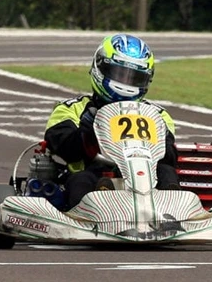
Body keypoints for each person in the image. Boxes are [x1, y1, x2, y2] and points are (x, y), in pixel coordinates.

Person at [44, 33, 179, 211]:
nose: (125, 82)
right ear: (100, 67)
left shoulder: (158, 115)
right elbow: (62, 146)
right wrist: (86, 134)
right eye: (119, 74)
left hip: (146, 180)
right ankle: (89, 214)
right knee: (81, 180)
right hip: (93, 173)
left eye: (134, 77)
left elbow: (168, 157)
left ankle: (173, 212)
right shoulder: (71, 109)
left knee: (167, 173)